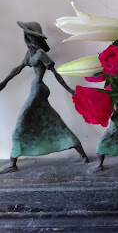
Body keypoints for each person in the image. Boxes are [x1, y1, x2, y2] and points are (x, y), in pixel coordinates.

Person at [0, 22, 88, 173]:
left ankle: (13, 162)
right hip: (35, 88)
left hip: (39, 89)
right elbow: (18, 69)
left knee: (21, 122)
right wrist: (4, 82)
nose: (25, 37)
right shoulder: (30, 54)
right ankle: (81, 152)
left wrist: (68, 89)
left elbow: (55, 72)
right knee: (53, 120)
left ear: (32, 37)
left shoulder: (40, 54)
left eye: (27, 35)